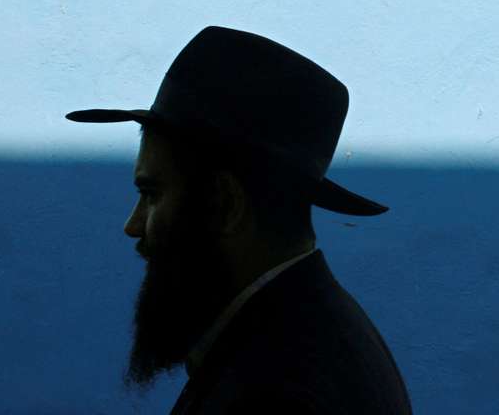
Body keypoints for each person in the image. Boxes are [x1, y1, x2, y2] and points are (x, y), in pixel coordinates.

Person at [66, 26, 412, 414]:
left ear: (225, 204)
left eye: (152, 195)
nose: (132, 224)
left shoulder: (277, 391)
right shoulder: (303, 331)